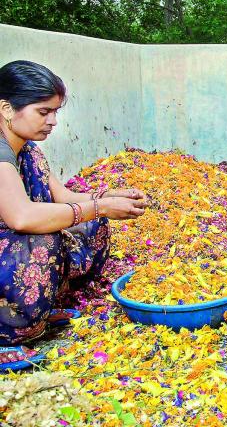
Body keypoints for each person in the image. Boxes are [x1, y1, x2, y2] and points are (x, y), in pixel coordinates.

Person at [0, 60, 148, 366]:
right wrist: (99, 205)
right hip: (11, 246)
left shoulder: (27, 150)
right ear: (6, 109)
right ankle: (7, 333)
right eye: (44, 112)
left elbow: (63, 197)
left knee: (92, 225)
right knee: (44, 243)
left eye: (55, 112)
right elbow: (22, 217)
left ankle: (37, 309)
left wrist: (108, 198)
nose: (53, 121)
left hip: (10, 249)